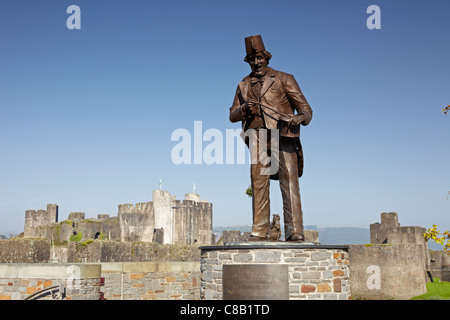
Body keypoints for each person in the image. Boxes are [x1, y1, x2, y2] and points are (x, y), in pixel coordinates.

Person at [229, 35, 313, 241]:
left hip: (282, 135)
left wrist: (299, 118)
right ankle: (260, 230)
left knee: (289, 181)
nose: (256, 63)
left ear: (266, 57)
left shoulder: (285, 78)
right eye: (251, 59)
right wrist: (243, 109)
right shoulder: (243, 85)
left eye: (259, 58)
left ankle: (295, 230)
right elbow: (232, 115)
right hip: (256, 136)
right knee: (259, 183)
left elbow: (305, 108)